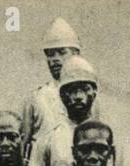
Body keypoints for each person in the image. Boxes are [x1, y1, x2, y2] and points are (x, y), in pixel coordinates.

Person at [21, 17, 84, 156]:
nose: (55, 59)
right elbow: (23, 142)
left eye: (62, 52)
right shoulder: (36, 98)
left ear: (76, 54)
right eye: (50, 54)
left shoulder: (88, 97)